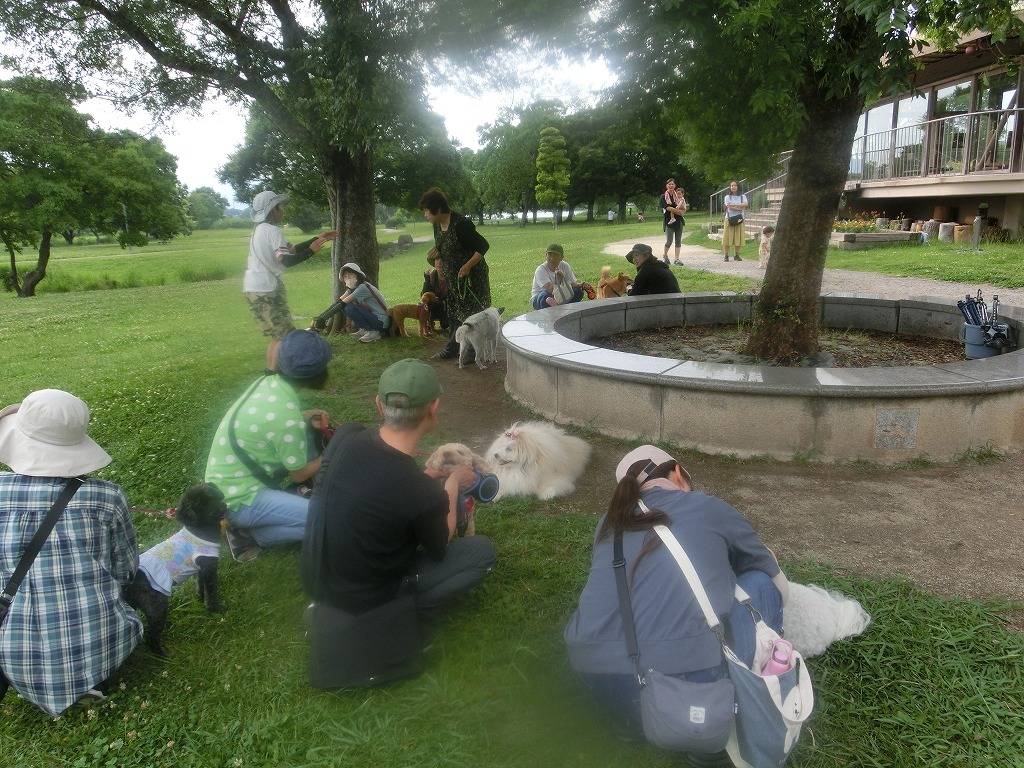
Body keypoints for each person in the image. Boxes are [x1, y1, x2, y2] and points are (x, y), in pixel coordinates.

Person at [564, 445, 788, 756]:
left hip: (596, 673)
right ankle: (706, 732)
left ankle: (631, 718)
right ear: (678, 473)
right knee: (759, 583)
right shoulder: (709, 507)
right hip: (685, 679)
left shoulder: (608, 523)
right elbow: (775, 581)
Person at [300, 359, 497, 673]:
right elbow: (440, 544)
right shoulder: (421, 491)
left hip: (318, 574)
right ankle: (403, 615)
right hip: (370, 598)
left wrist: (429, 481)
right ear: (434, 408)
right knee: (481, 552)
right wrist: (453, 482)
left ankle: (331, 609)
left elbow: (382, 483)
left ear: (378, 404)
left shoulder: (347, 435)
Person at [0, 389, 143, 715]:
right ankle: (87, 674)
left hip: (15, 645)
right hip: (103, 641)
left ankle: (29, 671)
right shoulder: (108, 497)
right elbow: (125, 570)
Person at [205, 329, 332, 562]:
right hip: (240, 501)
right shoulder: (286, 419)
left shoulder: (268, 382)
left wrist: (305, 416)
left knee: (305, 438)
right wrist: (331, 453)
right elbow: (298, 473)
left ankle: (291, 503)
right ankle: (249, 536)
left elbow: (272, 422)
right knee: (328, 520)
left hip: (226, 488)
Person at [243, 190, 338, 371]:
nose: (282, 210)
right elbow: (286, 260)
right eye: (280, 207)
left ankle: (270, 372)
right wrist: (311, 251)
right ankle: (275, 375)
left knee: (278, 336)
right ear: (273, 209)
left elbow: (292, 249)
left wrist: (320, 238)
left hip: (253, 289)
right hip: (267, 289)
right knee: (285, 335)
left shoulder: (258, 230)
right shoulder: (273, 231)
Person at [419, 187, 491, 360]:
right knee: (453, 312)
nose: (425, 215)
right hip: (453, 278)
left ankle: (472, 351)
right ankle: (453, 347)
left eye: (426, 211)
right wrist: (437, 251)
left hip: (471, 279)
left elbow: (483, 246)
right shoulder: (437, 225)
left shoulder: (461, 225)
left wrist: (467, 266)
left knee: (471, 314)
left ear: (438, 209)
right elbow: (446, 247)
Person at [336, 262, 390, 343]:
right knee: (346, 306)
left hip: (381, 322)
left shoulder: (363, 287)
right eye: (345, 276)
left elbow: (342, 303)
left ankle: (372, 331)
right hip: (373, 318)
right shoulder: (352, 289)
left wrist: (322, 319)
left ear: (358, 275)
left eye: (351, 274)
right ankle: (365, 329)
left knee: (348, 307)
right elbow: (338, 302)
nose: (348, 278)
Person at [530, 244, 594, 309]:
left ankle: (564, 309)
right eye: (550, 255)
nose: (552, 259)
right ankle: (553, 312)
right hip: (541, 297)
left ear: (562, 257)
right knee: (546, 296)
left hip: (559, 294)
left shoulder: (565, 266)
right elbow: (551, 289)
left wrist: (582, 284)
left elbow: (571, 284)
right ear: (546, 255)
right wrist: (558, 279)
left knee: (578, 292)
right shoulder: (540, 270)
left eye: (555, 256)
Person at [661, 178, 687, 265]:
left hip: (679, 221)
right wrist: (679, 212)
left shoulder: (678, 196)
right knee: (669, 241)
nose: (671, 186)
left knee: (678, 241)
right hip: (669, 221)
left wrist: (680, 212)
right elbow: (667, 208)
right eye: (669, 184)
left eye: (672, 184)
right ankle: (665, 255)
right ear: (666, 186)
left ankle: (677, 259)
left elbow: (683, 208)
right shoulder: (663, 197)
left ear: (675, 185)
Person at [421, 254, 449, 331]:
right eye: (437, 259)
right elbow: (424, 295)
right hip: (434, 305)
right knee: (425, 304)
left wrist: (442, 303)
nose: (439, 263)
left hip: (447, 306)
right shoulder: (432, 275)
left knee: (445, 324)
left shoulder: (451, 275)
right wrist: (427, 281)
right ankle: (429, 323)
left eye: (442, 260)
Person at [722, 180, 748, 262]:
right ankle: (726, 255)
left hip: (739, 219)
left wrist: (735, 205)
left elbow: (745, 204)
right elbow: (729, 207)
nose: (733, 187)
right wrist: (739, 207)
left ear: (738, 186)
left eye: (735, 185)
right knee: (727, 238)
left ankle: (736, 255)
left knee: (738, 238)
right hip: (729, 219)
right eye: (732, 185)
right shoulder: (727, 197)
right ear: (730, 187)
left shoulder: (743, 196)